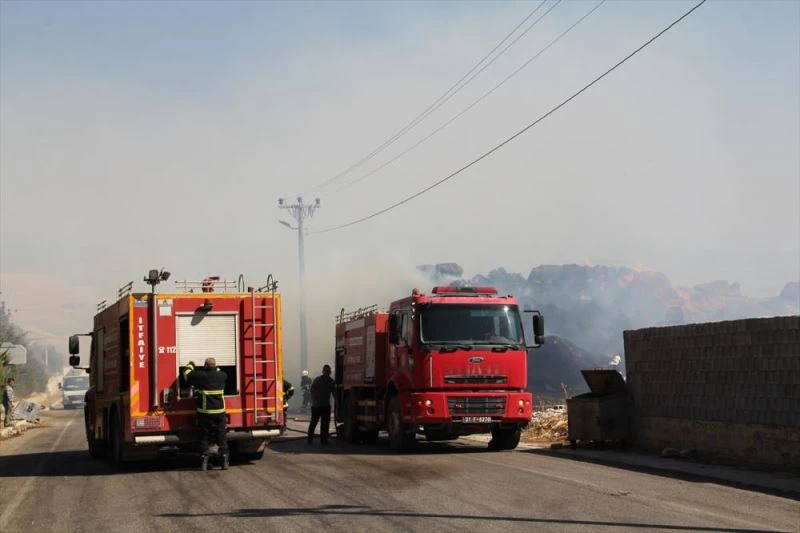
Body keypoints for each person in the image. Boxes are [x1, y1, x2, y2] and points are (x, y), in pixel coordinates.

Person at [183, 358, 228, 471]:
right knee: (221, 436)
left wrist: (191, 364)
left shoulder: (201, 376)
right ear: (215, 366)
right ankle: (224, 460)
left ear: (205, 366)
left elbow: (186, 374)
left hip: (205, 413)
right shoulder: (222, 376)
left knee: (204, 437)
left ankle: (204, 461)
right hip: (220, 413)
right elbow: (219, 372)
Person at [307, 364, 335, 445]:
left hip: (326, 405)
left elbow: (334, 392)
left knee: (325, 424)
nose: (327, 372)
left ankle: (324, 440)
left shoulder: (331, 381)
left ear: (330, 372)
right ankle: (310, 439)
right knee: (314, 422)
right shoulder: (318, 380)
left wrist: (337, 402)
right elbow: (312, 390)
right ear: (323, 371)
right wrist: (314, 401)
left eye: (328, 371)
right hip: (317, 405)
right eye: (326, 371)